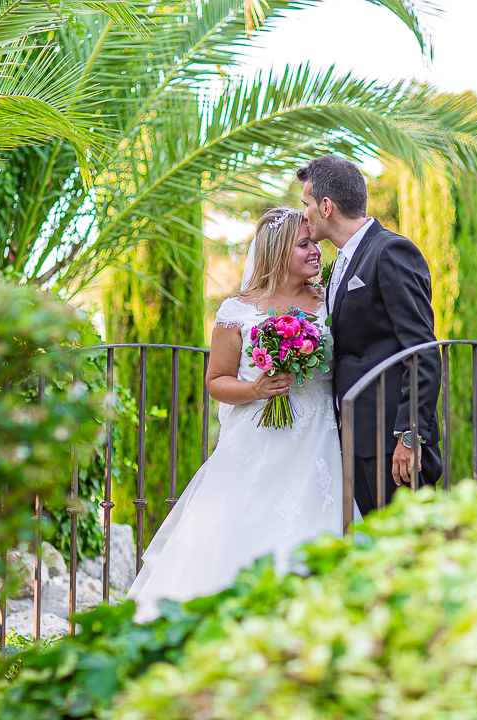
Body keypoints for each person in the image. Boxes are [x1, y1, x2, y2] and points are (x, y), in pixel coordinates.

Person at [125, 207, 355, 621]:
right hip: (258, 442)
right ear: (277, 251)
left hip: (321, 444)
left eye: (315, 244)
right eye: (304, 245)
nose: (315, 252)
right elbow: (216, 380)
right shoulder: (237, 311)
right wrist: (256, 389)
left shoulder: (330, 303)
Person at [298, 155, 443, 516]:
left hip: (392, 443)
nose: (305, 215)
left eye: (307, 205)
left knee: (410, 554)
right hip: (354, 436)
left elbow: (422, 350)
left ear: (327, 207)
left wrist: (409, 437)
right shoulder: (342, 261)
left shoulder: (390, 251)